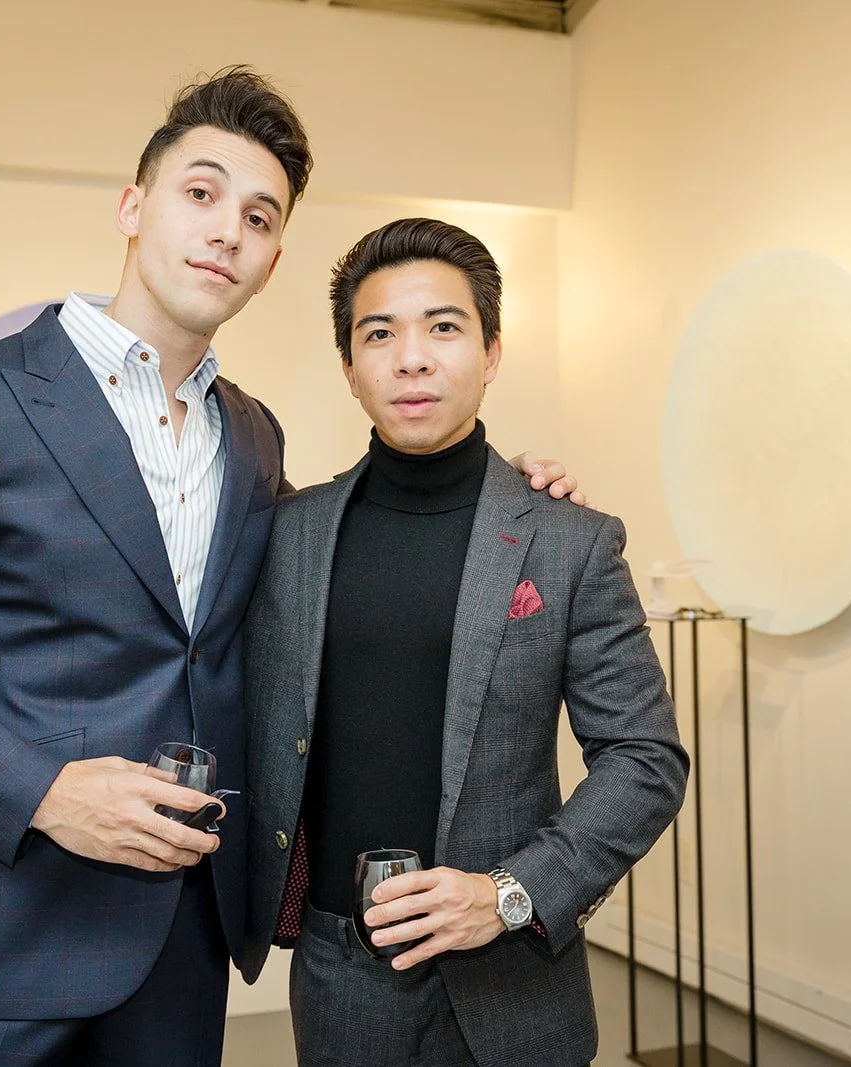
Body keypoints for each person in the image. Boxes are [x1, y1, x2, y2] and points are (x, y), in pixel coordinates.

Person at [0, 70, 579, 1065]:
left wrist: (507, 497)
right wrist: (41, 788)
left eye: (258, 217)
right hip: (0, 935)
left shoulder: (251, 435)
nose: (226, 231)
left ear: (271, 262)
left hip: (182, 938)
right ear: (133, 206)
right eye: (200, 193)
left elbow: (341, 559)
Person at [239, 217, 689, 1067]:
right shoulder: (287, 536)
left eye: (443, 327)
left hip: (514, 981)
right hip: (343, 978)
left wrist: (510, 893)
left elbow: (645, 757)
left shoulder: (569, 540)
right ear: (349, 368)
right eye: (380, 333)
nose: (411, 358)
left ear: (491, 353)